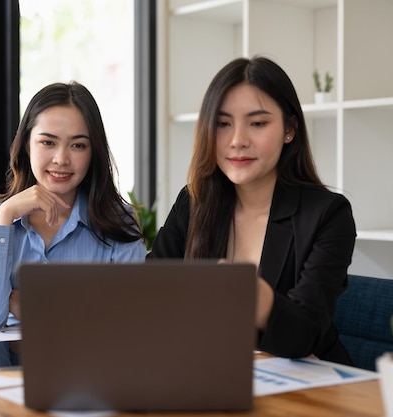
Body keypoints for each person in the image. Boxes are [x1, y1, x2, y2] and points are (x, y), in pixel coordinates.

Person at [147, 56, 356, 365]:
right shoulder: (193, 202)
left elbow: (306, 332)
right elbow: (151, 294)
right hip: (210, 371)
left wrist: (248, 292)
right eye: (222, 124)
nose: (237, 141)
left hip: (308, 387)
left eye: (257, 123)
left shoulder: (328, 215)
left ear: (289, 129)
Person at [0, 81, 147, 331]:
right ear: (27, 145)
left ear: (93, 152)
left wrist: (31, 308)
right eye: (48, 143)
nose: (61, 159)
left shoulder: (119, 223)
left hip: (91, 366)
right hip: (6, 368)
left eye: (78, 145)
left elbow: (129, 320)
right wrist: (6, 215)